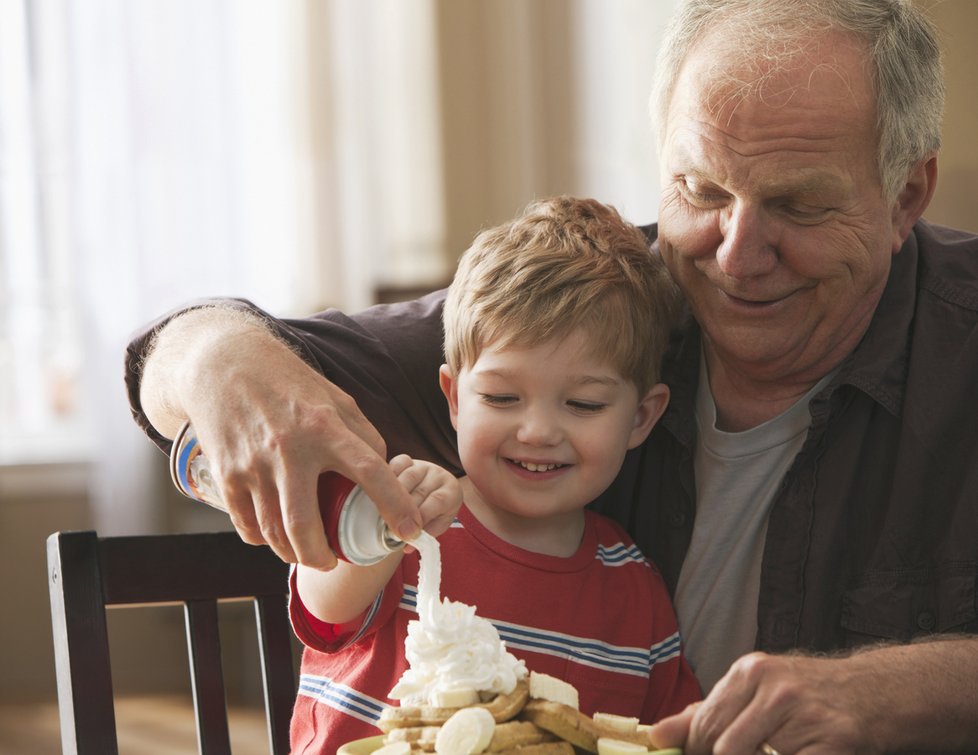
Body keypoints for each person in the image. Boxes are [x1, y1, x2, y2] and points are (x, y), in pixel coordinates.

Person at [127, 0, 978, 752]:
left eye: (798, 204)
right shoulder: (590, 313)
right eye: (701, 188)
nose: (735, 254)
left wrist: (897, 694)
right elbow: (178, 366)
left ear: (907, 194)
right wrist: (216, 358)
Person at [286, 196, 701, 751]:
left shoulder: (636, 591)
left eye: (583, 405)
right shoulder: (408, 524)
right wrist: (387, 527)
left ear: (642, 417)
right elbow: (324, 606)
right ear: (455, 400)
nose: (537, 432)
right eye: (503, 397)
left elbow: (671, 736)